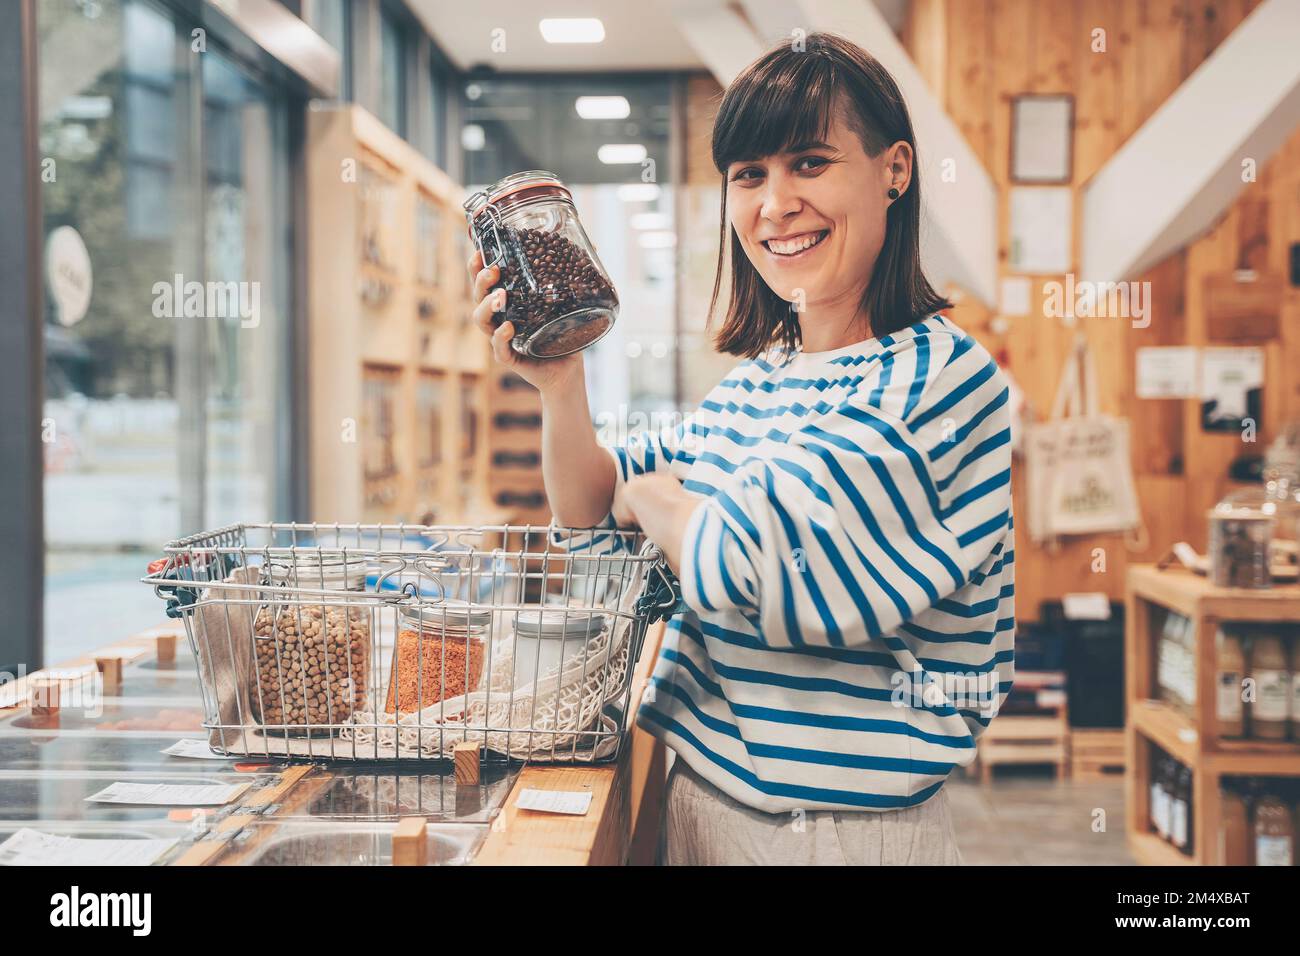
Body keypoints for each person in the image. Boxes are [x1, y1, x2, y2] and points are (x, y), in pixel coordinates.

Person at [466, 32, 1013, 866]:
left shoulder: (941, 382)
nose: (775, 203)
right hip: (706, 802)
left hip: (832, 834)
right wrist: (561, 385)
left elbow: (741, 564)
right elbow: (592, 516)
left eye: (811, 163)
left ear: (894, 170)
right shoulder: (762, 380)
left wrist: (657, 500)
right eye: (749, 175)